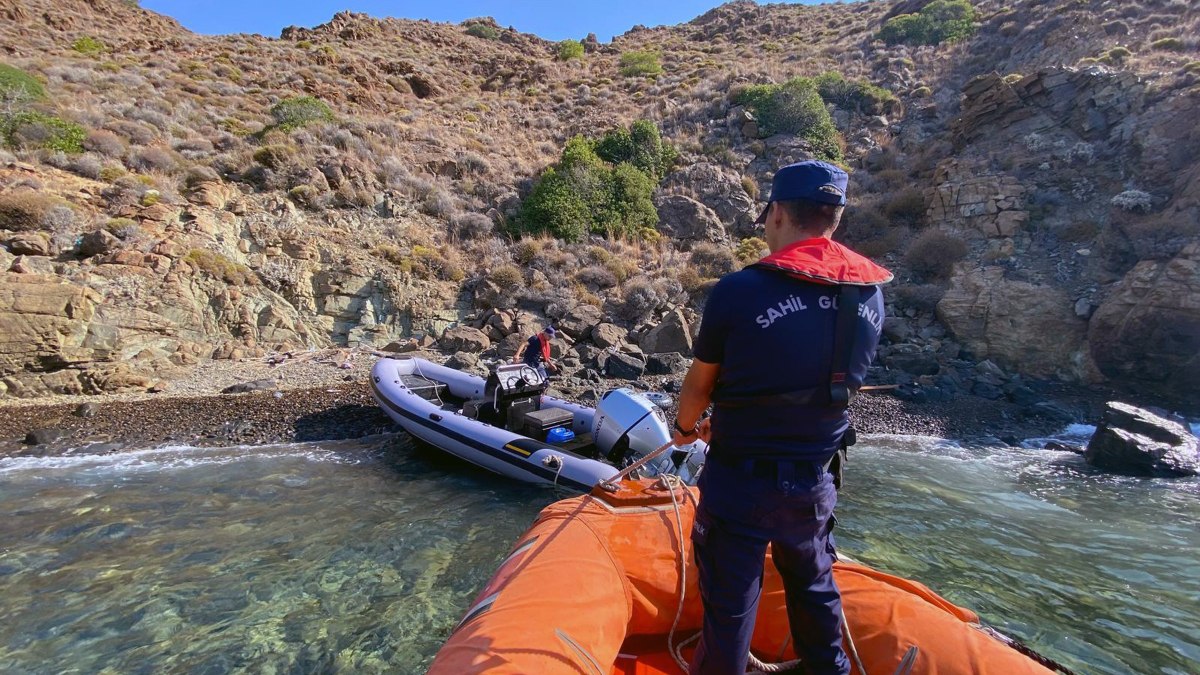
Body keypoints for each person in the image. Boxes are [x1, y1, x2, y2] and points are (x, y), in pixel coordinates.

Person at [671, 160, 892, 675]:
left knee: (728, 612)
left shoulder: (739, 291)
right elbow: (816, 383)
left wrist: (685, 432)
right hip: (815, 483)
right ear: (834, 218)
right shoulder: (870, 294)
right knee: (815, 592)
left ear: (774, 213)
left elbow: (699, 386)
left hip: (740, 484)